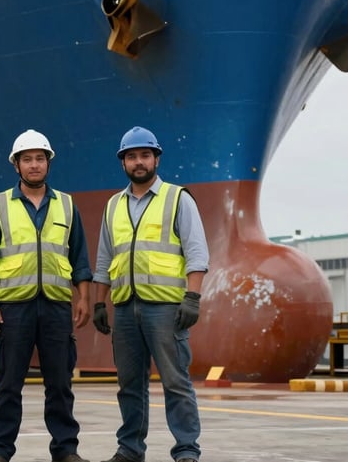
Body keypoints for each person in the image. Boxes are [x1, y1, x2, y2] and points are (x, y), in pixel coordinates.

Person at [0, 129, 93, 462]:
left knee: (60, 384)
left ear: (48, 163)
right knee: (8, 384)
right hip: (13, 309)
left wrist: (83, 298)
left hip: (56, 307)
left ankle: (66, 449)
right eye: (27, 159)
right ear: (16, 165)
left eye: (40, 158)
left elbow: (80, 259)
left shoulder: (67, 206)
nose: (34, 165)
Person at [93, 126, 209, 462]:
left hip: (165, 309)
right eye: (132, 156)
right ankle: (130, 449)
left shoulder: (178, 199)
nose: (139, 162)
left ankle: (186, 450)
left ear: (156, 159)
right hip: (126, 308)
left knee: (175, 381)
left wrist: (193, 297)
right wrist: (100, 302)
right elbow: (104, 259)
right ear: (123, 163)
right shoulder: (113, 206)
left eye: (145, 155)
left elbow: (197, 253)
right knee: (129, 384)